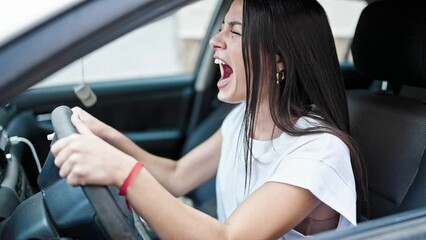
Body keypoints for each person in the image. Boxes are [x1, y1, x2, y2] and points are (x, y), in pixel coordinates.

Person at [51, 0, 367, 239]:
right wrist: (107, 137)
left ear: (278, 59)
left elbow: (228, 237)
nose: (217, 40)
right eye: (221, 27)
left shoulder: (320, 152)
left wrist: (122, 171)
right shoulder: (242, 119)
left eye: (235, 31)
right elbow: (177, 175)